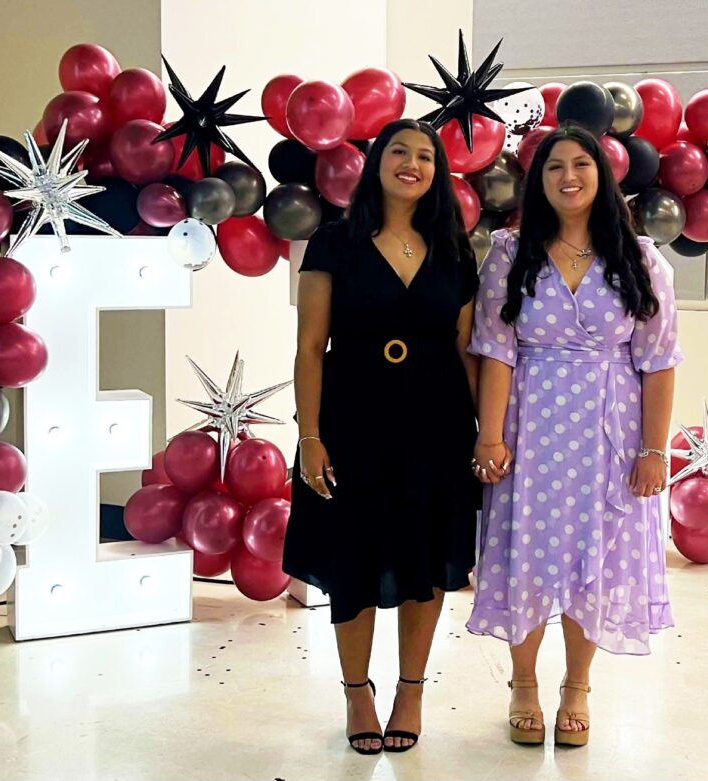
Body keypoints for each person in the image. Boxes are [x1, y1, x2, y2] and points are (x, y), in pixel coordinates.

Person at [467, 124, 683, 748]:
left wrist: (652, 449)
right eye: (555, 166)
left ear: (602, 175)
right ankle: (525, 683)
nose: (569, 176)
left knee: (597, 556)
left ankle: (578, 687)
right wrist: (488, 437)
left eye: (581, 164)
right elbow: (495, 351)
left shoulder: (640, 258)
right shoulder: (510, 254)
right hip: (527, 425)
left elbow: (660, 360)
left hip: (609, 432)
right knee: (528, 553)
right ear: (539, 181)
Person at [283, 119, 480, 755]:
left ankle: (412, 690)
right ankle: (356, 692)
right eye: (400, 151)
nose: (413, 164)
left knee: (423, 557)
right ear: (377, 163)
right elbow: (311, 347)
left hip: (438, 421)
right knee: (354, 556)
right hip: (352, 417)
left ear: (438, 173)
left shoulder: (453, 247)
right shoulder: (334, 243)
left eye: (426, 156)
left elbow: (468, 349)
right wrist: (310, 435)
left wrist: (488, 433)